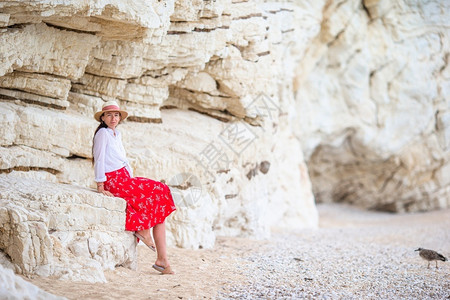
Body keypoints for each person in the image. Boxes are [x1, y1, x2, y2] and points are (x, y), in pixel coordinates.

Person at [92, 100, 176, 275]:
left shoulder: (117, 134)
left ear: (120, 118)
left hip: (124, 178)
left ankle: (162, 259)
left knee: (160, 201)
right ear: (103, 117)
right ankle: (144, 232)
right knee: (159, 189)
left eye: (116, 115)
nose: (113, 118)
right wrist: (100, 185)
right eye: (109, 115)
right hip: (113, 180)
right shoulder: (102, 134)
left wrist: (131, 178)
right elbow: (98, 159)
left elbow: (123, 160)